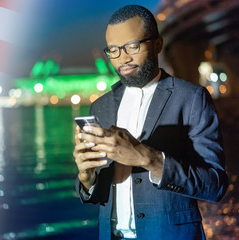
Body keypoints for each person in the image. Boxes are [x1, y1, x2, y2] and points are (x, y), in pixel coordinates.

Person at [73, 5, 229, 240]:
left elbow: (215, 185)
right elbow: (97, 193)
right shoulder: (100, 106)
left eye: (132, 46)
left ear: (157, 44)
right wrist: (87, 179)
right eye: (113, 50)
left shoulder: (192, 98)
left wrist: (148, 158)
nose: (122, 58)